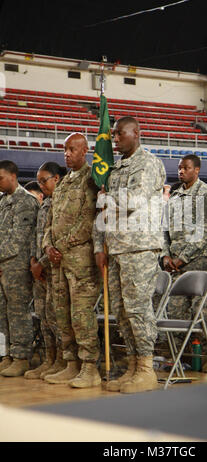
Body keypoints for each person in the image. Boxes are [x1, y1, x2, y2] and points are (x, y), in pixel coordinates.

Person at [93, 116, 166, 393]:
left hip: (139, 246)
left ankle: (147, 370)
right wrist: (101, 246)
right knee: (122, 313)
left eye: (119, 134)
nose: (114, 139)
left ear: (136, 132)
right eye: (113, 135)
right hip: (117, 248)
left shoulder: (147, 163)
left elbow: (133, 202)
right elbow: (103, 213)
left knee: (138, 309)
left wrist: (104, 199)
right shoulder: (116, 168)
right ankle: (134, 366)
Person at [42, 133, 102, 388]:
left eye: (72, 149)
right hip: (58, 260)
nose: (67, 154)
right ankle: (71, 364)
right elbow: (50, 220)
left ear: (85, 151)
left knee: (81, 315)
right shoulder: (64, 183)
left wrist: (62, 246)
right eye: (65, 149)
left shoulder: (92, 180)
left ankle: (90, 368)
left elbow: (89, 219)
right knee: (62, 313)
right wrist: (48, 246)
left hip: (80, 261)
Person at [161, 154, 207, 371]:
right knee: (176, 311)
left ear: (197, 170)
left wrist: (182, 257)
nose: (181, 171)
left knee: (201, 310)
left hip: (199, 260)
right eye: (179, 168)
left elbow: (206, 232)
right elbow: (164, 230)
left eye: (186, 168)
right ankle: (182, 357)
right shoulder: (175, 195)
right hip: (175, 264)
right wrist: (165, 256)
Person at [24, 162, 67, 380]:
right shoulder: (46, 203)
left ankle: (63, 360)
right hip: (39, 267)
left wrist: (41, 262)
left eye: (44, 181)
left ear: (57, 178)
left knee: (56, 317)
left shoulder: (62, 201)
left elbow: (56, 238)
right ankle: (49, 360)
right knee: (43, 316)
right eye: (38, 181)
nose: (41, 186)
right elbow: (37, 236)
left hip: (53, 267)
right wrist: (33, 260)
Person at [0, 160, 39, 376]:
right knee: (2, 313)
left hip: (16, 266)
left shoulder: (26, 202)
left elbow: (19, 239)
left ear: (13, 176)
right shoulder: (2, 202)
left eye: (1, 177)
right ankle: (6, 354)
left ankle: (22, 356)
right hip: (2, 264)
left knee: (17, 312)